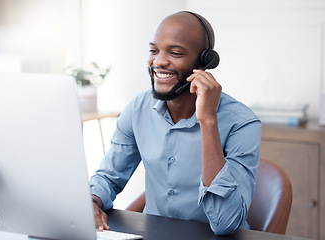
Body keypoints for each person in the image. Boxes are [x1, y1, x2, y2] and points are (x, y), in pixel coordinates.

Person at [89, 11, 261, 235]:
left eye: (176, 53)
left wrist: (208, 120)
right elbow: (108, 177)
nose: (159, 61)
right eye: (153, 50)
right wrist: (91, 201)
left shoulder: (242, 123)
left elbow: (225, 223)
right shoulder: (137, 109)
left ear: (205, 61)